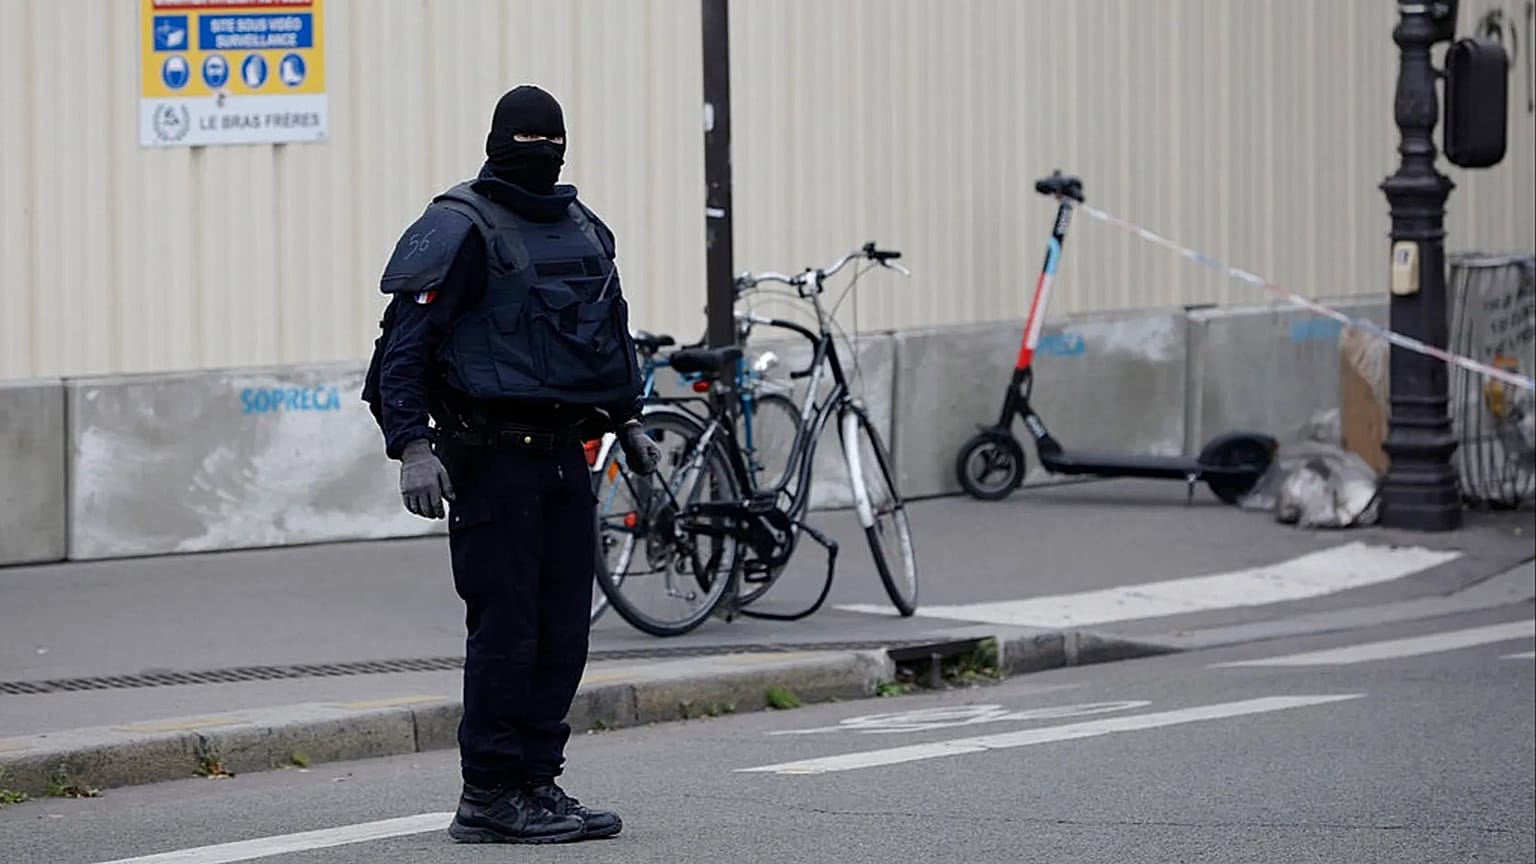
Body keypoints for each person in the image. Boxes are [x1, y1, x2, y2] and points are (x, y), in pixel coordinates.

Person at [363, 84, 661, 845]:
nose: (542, 153)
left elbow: (605, 337)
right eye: (528, 140)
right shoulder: (457, 229)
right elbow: (402, 353)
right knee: (508, 633)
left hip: (564, 457)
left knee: (563, 634)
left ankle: (536, 783)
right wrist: (413, 447)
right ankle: (489, 794)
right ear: (497, 142)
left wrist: (628, 421)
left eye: (551, 140)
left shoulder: (583, 228)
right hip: (490, 460)